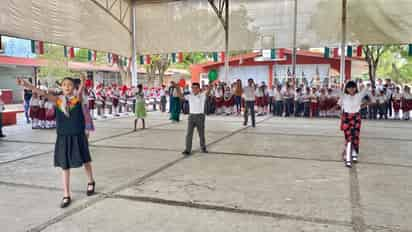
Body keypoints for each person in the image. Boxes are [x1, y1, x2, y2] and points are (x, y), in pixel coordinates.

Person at [17, 75, 96, 208]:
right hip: (63, 136)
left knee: (85, 160)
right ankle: (66, 194)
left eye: (69, 84)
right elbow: (42, 93)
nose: (67, 87)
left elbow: (81, 90)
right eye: (64, 84)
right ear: (61, 87)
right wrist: (28, 86)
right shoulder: (58, 101)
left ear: (74, 87)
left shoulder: (77, 99)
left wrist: (82, 81)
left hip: (78, 136)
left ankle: (91, 181)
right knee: (64, 166)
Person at [338, 80, 368, 168]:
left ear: (356, 88)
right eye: (349, 87)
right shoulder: (343, 96)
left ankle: (354, 153)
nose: (351, 89)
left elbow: (368, 96)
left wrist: (363, 86)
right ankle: (348, 159)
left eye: (353, 87)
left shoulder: (359, 95)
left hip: (356, 118)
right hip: (346, 118)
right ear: (346, 88)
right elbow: (338, 103)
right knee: (349, 138)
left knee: (355, 137)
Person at [181, 82, 211, 156]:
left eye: (196, 88)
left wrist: (210, 86)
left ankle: (203, 147)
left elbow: (208, 92)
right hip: (191, 117)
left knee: (201, 133)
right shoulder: (190, 96)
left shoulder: (202, 95)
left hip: (200, 116)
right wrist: (178, 87)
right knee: (189, 134)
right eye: (193, 88)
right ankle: (187, 149)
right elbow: (181, 97)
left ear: (199, 88)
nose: (194, 89)